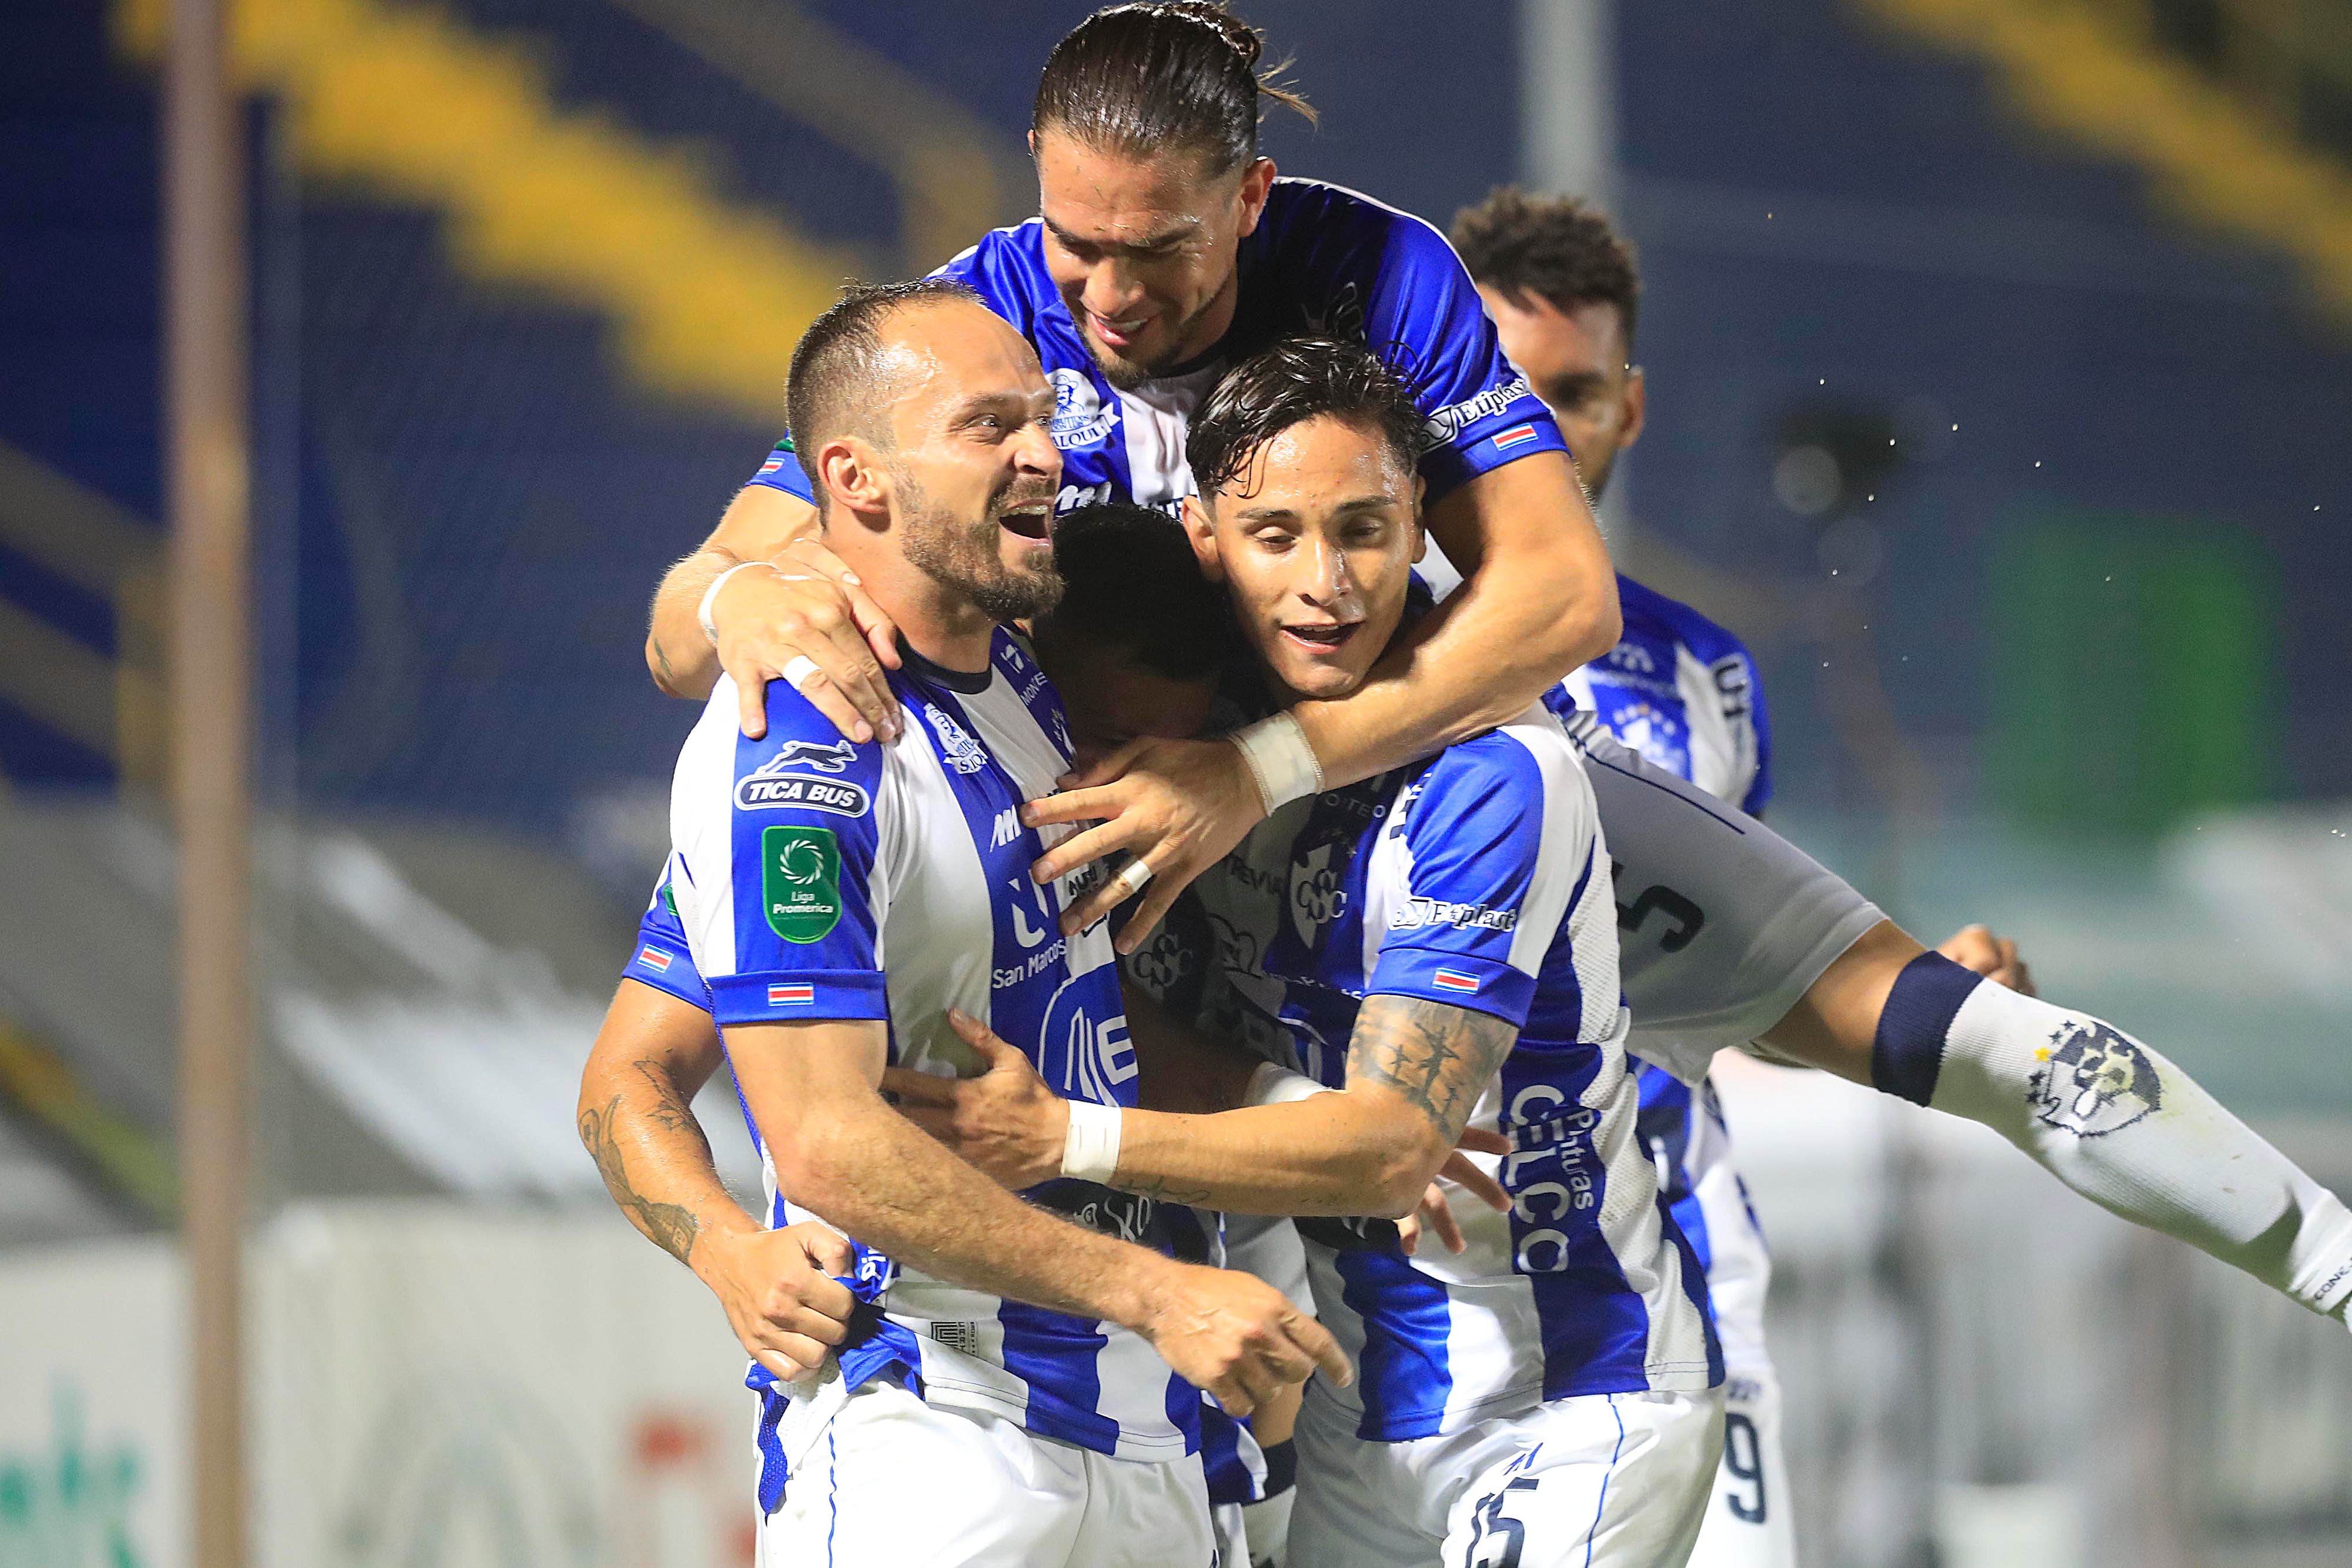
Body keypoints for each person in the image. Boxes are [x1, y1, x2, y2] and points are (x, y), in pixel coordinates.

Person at [891, 338, 1727, 1567]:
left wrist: (1064, 1134)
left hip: (1568, 1398)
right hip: (1358, 1428)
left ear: (1418, 528)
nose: (1325, 584)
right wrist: (737, 595)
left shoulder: (1492, 775)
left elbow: (1388, 1150)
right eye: (1276, 534)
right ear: (1207, 537)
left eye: (1363, 531)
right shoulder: (1164, 727)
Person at [640, 1, 1621, 955]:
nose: (1111, 297)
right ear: (1037, 162)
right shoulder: (964, 329)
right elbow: (684, 636)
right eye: (1075, 241)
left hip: (1359, 748)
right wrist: (735, 600)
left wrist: (1255, 773)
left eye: (1159, 248)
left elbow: (1567, 595)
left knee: (1638, 848)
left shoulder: (1372, 273)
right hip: (1088, 825)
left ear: (1250, 197)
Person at [639, 274, 1349, 1566]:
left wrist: (1311, 1124)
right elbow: (808, 1135)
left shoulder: (1024, 677)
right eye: (988, 425)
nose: (1045, 454)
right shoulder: (794, 753)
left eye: (1042, 416)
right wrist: (725, 1244)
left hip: (1139, 1417)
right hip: (935, 1424)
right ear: (854, 479)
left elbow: (1062, 1014)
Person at [1450, 186, 2034, 1568]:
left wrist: (1910, 998)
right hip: (1422, 1280)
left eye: (1574, 393)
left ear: (1629, 409)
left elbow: (1728, 987)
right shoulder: (1338, 636)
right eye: (1505, 388)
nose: (1539, 427)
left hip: (1671, 1262)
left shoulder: (1704, 672)